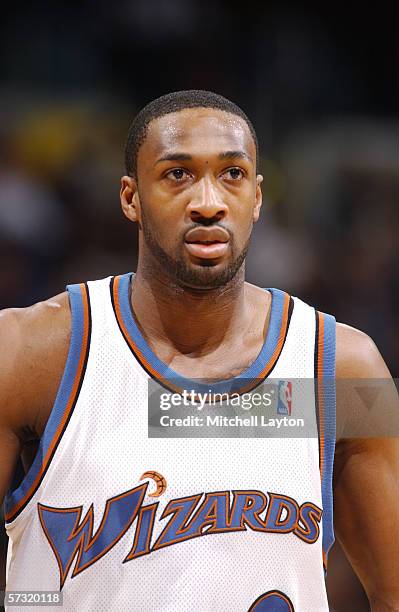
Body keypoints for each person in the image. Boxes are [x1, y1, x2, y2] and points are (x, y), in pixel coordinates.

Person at [0, 90, 398, 612]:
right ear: (130, 197)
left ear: (257, 198)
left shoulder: (346, 372)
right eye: (177, 174)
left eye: (231, 174)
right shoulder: (27, 351)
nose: (208, 202)